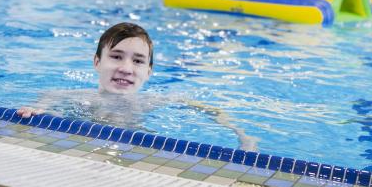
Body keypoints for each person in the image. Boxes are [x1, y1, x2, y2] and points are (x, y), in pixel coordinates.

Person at [17, 22, 258, 150]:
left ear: (149, 71)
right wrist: (39, 110)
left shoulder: (150, 102)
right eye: (116, 56)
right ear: (97, 62)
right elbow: (47, 99)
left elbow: (209, 110)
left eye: (138, 61)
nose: (126, 68)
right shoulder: (77, 97)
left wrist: (243, 136)